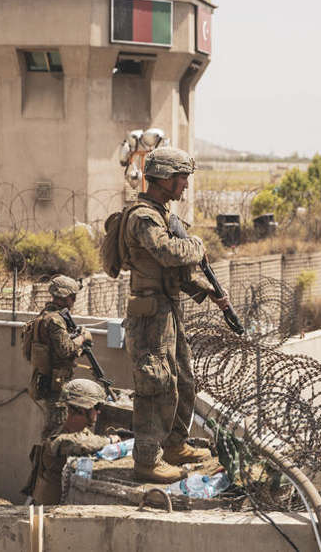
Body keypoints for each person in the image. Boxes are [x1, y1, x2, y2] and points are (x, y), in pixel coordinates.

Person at [120, 147, 227, 483]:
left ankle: (175, 445)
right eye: (182, 177)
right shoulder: (144, 216)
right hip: (150, 314)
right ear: (165, 177)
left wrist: (202, 288)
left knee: (182, 379)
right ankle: (147, 461)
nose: (185, 184)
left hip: (167, 310)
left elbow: (173, 272)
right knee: (155, 384)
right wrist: (198, 245)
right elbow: (168, 253)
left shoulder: (162, 213)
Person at [27, 379, 122, 505]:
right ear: (80, 409)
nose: (98, 411)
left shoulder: (85, 434)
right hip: (48, 515)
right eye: (96, 406)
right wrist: (109, 441)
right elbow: (74, 443)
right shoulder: (57, 437)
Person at [29, 275, 91, 439]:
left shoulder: (43, 316)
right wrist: (82, 337)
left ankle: (44, 462)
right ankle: (47, 463)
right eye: (73, 297)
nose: (74, 300)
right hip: (57, 385)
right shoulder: (55, 320)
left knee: (51, 430)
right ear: (68, 297)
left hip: (48, 379)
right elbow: (66, 350)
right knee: (56, 431)